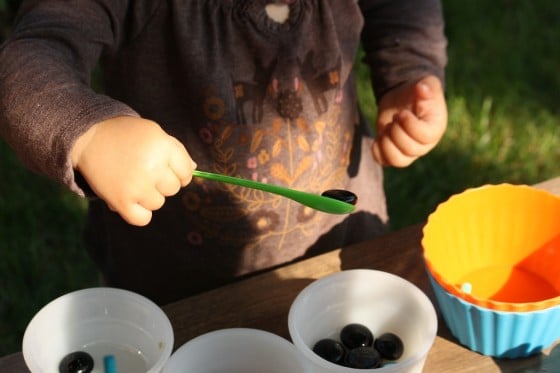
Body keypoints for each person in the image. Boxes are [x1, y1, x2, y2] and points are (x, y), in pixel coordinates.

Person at [0, 0, 447, 304]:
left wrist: (408, 71)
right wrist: (89, 131)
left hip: (339, 257)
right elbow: (30, 54)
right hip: (177, 291)